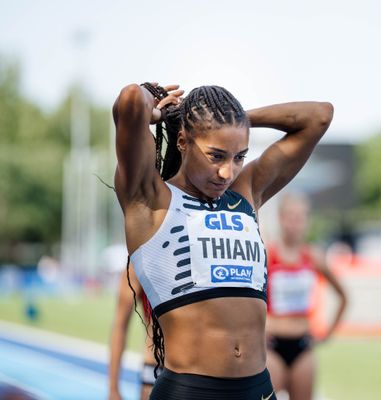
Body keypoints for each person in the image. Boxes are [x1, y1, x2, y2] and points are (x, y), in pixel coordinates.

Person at [112, 81, 333, 399]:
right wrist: (161, 111)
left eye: (239, 156)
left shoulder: (247, 193)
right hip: (190, 390)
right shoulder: (150, 200)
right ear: (184, 140)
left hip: (258, 388)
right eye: (216, 155)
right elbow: (131, 99)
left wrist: (235, 120)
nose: (227, 172)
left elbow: (319, 116)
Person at [266, 192, 347, 400]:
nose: (295, 223)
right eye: (290, 217)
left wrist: (327, 333)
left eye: (300, 217)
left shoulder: (313, 256)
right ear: (281, 219)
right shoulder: (268, 254)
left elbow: (343, 297)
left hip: (303, 345)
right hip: (272, 345)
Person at [108, 267, 160, 400]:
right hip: (155, 369)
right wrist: (113, 389)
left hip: (202, 370)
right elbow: (120, 325)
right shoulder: (138, 261)